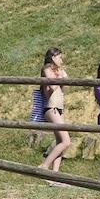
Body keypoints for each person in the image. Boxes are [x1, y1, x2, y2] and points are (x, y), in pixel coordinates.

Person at [36, 48, 71, 176]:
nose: (61, 60)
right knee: (66, 141)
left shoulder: (58, 70)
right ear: (53, 57)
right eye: (59, 57)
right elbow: (53, 86)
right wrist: (60, 75)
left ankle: (55, 174)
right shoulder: (47, 69)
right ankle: (44, 165)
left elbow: (67, 83)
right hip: (52, 108)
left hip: (59, 109)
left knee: (59, 142)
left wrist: (61, 72)